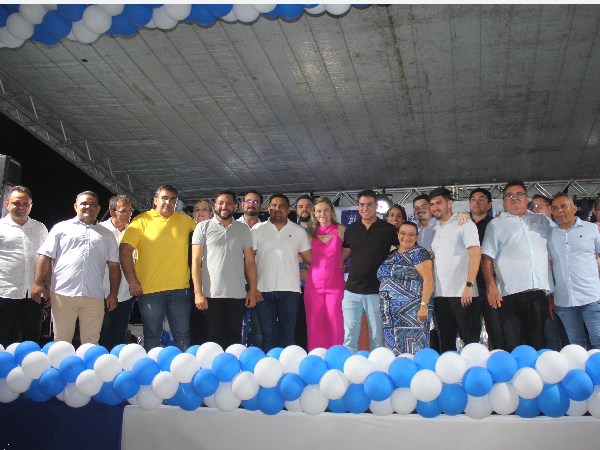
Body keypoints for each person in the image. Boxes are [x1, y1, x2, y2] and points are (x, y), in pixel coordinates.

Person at [33, 191, 120, 345]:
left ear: (99, 208)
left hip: (94, 296)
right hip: (63, 294)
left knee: (91, 343)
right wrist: (38, 283)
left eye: (93, 204)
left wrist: (113, 293)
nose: (88, 207)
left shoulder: (107, 235)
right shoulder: (60, 228)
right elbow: (45, 257)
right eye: (84, 203)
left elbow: (114, 266)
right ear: (75, 206)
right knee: (61, 342)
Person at [120, 185, 196, 351]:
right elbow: (125, 251)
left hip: (180, 290)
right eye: (164, 198)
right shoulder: (141, 221)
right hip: (149, 290)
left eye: (173, 199)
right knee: (152, 335)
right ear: (155, 200)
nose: (168, 202)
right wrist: (132, 281)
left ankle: (183, 373)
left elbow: (204, 239)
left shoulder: (186, 221)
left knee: (183, 335)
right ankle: (151, 374)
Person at [481, 181, 554, 351]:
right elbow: (486, 258)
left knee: (538, 343)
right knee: (513, 344)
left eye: (519, 194)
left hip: (539, 293)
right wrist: (491, 287)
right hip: (509, 294)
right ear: (504, 202)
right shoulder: (496, 224)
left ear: (527, 199)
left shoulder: (541, 220)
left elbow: (559, 242)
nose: (515, 198)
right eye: (510, 195)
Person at [192, 190, 261, 350]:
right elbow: (196, 261)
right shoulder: (203, 227)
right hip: (210, 294)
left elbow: (250, 261)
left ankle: (232, 374)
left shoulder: (243, 229)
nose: (225, 206)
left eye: (229, 203)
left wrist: (252, 290)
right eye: (221, 203)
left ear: (235, 206)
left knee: (234, 338)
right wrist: (198, 292)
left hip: (237, 295)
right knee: (212, 338)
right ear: (215, 206)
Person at [252, 194, 312, 353]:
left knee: (288, 336)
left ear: (289, 209)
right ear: (268, 208)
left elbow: (311, 260)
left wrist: (336, 261)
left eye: (282, 205)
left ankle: (288, 371)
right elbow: (249, 261)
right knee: (268, 336)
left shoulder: (298, 231)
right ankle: (268, 373)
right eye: (274, 205)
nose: (277, 209)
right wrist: (252, 288)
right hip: (262, 291)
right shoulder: (257, 230)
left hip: (290, 291)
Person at [342, 190, 399, 353]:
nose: (365, 208)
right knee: (349, 338)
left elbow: (401, 252)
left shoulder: (388, 229)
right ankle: (349, 373)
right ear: (358, 206)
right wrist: (336, 263)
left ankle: (378, 373)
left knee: (377, 339)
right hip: (351, 290)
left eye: (369, 204)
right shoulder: (351, 229)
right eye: (361, 204)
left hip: (377, 291)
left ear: (376, 207)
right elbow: (344, 253)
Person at [430, 187, 481, 353]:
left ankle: (475, 378)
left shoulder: (464, 223)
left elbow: (476, 255)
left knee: (471, 343)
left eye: (439, 203)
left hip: (463, 294)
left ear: (450, 203)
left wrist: (469, 285)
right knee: (446, 344)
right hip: (440, 296)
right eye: (432, 204)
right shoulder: (435, 229)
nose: (435, 207)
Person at [548, 194, 600, 349]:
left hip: (592, 297)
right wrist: (550, 297)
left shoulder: (592, 229)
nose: (560, 211)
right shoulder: (549, 235)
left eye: (564, 206)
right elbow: (550, 266)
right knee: (575, 345)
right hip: (564, 300)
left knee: (598, 341)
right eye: (555, 208)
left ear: (574, 208)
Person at [0, 186, 49, 347]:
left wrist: (47, 286)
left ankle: (29, 371)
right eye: (16, 203)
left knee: (32, 339)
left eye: (25, 203)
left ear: (31, 205)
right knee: (4, 337)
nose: (21, 207)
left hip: (33, 293)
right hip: (5, 292)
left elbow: (47, 259)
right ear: (7, 204)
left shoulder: (40, 228)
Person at [377, 222, 434, 355]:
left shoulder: (419, 253)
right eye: (403, 233)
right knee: (395, 354)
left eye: (411, 234)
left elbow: (429, 280)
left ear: (416, 236)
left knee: (415, 352)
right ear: (398, 235)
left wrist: (424, 306)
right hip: (391, 316)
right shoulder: (391, 254)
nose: (406, 237)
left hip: (413, 314)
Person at [304, 197, 349, 351]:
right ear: (314, 214)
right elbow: (301, 255)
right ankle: (316, 360)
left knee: (336, 325)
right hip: (313, 286)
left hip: (335, 285)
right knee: (314, 325)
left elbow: (351, 250)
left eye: (325, 210)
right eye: (319, 211)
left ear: (331, 211)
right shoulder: (309, 233)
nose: (322, 213)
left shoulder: (342, 230)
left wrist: (342, 261)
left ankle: (336, 360)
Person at [469, 188, 504, 350]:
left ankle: (500, 371)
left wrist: (493, 285)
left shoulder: (496, 225)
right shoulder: (462, 225)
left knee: (497, 332)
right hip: (468, 288)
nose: (477, 202)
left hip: (491, 286)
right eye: (473, 199)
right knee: (470, 335)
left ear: (489, 205)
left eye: (481, 199)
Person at [98, 195, 135, 350]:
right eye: (124, 211)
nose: (129, 214)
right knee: (103, 335)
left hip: (127, 293)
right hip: (103, 292)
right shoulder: (100, 231)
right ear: (112, 213)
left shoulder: (135, 230)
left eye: (130, 210)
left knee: (120, 336)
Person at [237, 190, 264, 348]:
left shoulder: (266, 228)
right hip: (236, 283)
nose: (251, 205)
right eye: (248, 201)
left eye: (255, 202)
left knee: (258, 328)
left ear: (261, 206)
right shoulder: (233, 226)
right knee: (235, 325)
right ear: (242, 204)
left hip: (259, 283)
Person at [189, 200, 214, 346]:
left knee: (212, 326)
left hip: (213, 286)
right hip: (193, 286)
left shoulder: (217, 233)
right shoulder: (189, 235)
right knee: (196, 326)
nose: (200, 212)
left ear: (211, 213)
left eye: (204, 209)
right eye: (197, 209)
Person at [295, 194, 314, 352]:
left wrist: (309, 271)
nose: (304, 209)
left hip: (316, 286)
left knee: (315, 326)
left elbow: (326, 256)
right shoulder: (290, 230)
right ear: (296, 210)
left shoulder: (320, 230)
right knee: (298, 326)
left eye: (308, 206)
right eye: (301, 206)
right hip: (294, 287)